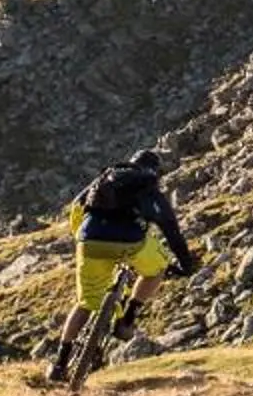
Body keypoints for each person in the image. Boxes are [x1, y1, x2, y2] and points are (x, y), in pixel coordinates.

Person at [47, 147, 197, 381]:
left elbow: (77, 208)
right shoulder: (149, 186)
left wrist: (83, 238)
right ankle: (126, 321)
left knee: (85, 302)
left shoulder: (106, 178)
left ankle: (59, 363)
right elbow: (171, 229)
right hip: (130, 242)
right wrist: (186, 265)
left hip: (90, 239)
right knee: (156, 269)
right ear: (155, 171)